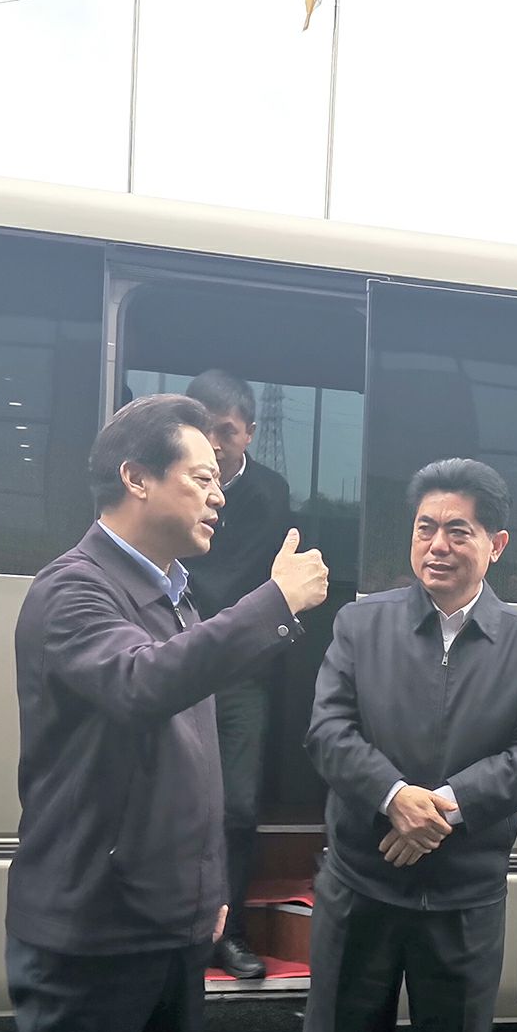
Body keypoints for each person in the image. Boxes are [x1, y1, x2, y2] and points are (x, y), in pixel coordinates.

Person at [0, 394, 329, 1032]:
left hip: (170, 918)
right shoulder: (74, 590)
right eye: (201, 478)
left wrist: (208, 888)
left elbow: (189, 763)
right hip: (94, 924)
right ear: (136, 478)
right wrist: (273, 602)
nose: (219, 494)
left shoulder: (175, 591)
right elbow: (141, 684)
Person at [290, 458, 517, 1032]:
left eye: (458, 531)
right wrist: (393, 795)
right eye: (425, 528)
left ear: (496, 544)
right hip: (361, 887)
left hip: (463, 900)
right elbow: (327, 730)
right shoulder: (361, 622)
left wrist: (443, 806)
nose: (438, 545)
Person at [182, 369, 296, 980]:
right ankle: (178, 926)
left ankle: (230, 932)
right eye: (204, 429)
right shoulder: (174, 482)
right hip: (173, 657)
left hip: (240, 670)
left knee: (239, 805)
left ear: (250, 432)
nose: (216, 443)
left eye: (227, 431)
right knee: (172, 798)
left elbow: (238, 578)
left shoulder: (269, 494)